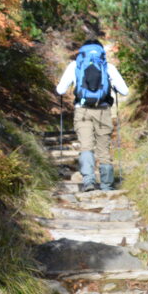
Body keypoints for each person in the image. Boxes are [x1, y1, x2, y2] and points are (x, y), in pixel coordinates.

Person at [55, 39, 129, 191]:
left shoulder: (75, 65)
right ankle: (107, 185)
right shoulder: (107, 67)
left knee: (86, 146)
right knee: (103, 148)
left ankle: (88, 181)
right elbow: (125, 91)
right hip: (103, 111)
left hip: (82, 110)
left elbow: (60, 90)